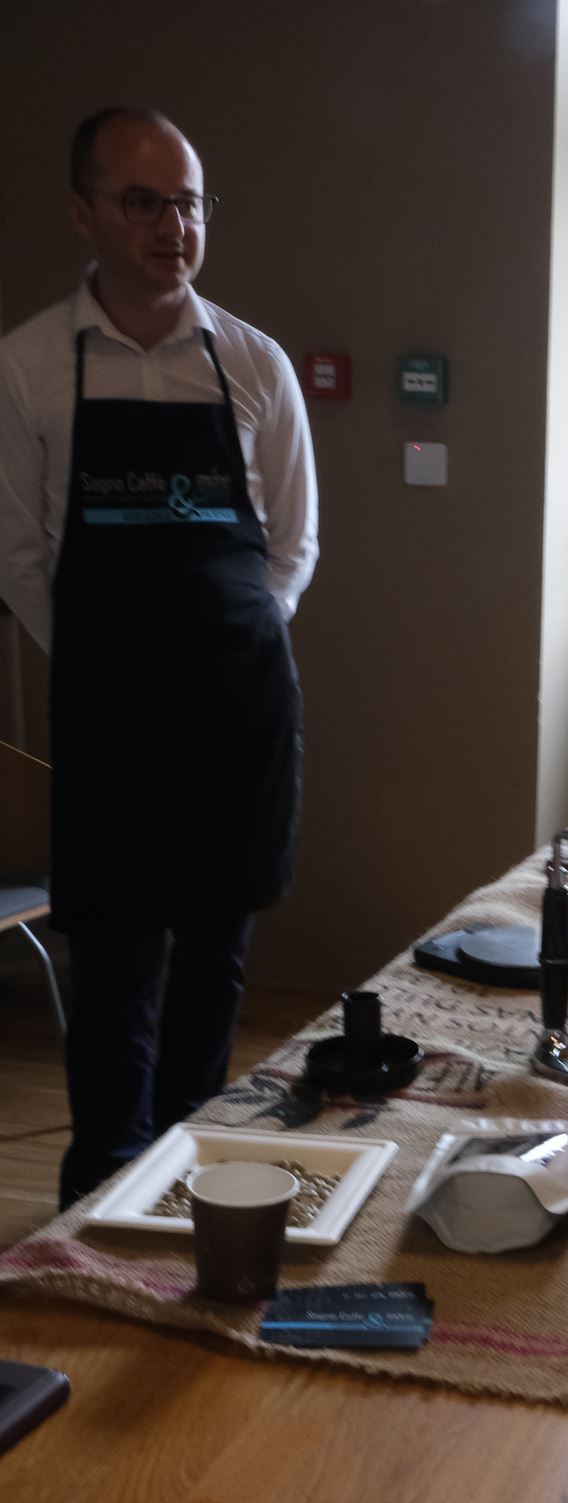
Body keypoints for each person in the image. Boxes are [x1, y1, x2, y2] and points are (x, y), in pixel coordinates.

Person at [0, 106, 318, 1207]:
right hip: (109, 721)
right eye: (143, 201)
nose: (172, 226)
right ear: (83, 212)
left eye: (188, 202)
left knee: (215, 962)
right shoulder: (30, 366)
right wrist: (111, 659)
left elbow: (292, 543)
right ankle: (98, 1200)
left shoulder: (254, 364)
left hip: (238, 715)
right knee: (115, 963)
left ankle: (192, 1182)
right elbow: (19, 555)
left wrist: (232, 643)